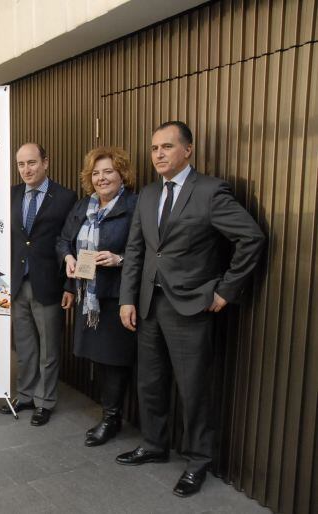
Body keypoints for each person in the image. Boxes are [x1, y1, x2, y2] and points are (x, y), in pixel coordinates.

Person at [117, 121, 265, 497]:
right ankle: (153, 445)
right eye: (154, 149)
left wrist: (225, 290)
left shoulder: (211, 191)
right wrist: (127, 298)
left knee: (193, 389)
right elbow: (137, 250)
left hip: (191, 306)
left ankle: (198, 461)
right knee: (150, 383)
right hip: (148, 305)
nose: (159, 154)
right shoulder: (148, 195)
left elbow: (251, 238)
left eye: (167, 147)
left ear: (188, 150)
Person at [57, 146, 138, 446]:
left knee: (114, 360)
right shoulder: (83, 206)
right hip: (87, 296)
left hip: (116, 296)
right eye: (96, 173)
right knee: (101, 361)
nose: (102, 178)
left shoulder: (135, 205)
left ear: (121, 174)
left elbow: (145, 250)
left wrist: (119, 259)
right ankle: (110, 414)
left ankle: (111, 419)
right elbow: (64, 240)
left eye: (108, 172)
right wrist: (67, 258)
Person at [0, 142, 76, 426]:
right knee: (25, 345)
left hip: (49, 282)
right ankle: (26, 395)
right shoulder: (11, 195)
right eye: (21, 164)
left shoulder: (66, 197)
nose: (26, 169)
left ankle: (45, 400)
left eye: (32, 163)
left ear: (46, 162)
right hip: (18, 282)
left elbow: (71, 242)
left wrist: (70, 285)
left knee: (49, 347)